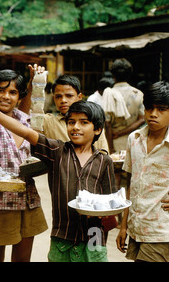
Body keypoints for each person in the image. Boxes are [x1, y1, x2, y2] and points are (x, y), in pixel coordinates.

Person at [0, 99, 117, 262]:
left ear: (97, 129)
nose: (76, 127)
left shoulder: (105, 161)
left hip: (95, 236)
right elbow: (26, 132)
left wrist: (106, 215)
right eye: (71, 122)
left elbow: (111, 201)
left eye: (83, 122)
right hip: (62, 236)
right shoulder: (58, 151)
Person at [0, 68, 48, 262]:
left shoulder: (27, 120)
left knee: (23, 258)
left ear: (20, 96)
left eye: (13, 92)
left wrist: (35, 81)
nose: (6, 96)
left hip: (29, 197)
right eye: (0, 91)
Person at [116, 81, 169, 262]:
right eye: (149, 108)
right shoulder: (135, 139)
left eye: (161, 109)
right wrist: (124, 226)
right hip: (136, 228)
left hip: (161, 231)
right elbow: (133, 184)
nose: (153, 114)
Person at [42, 74, 110, 153]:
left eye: (69, 96)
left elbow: (103, 154)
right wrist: (35, 82)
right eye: (58, 96)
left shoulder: (92, 122)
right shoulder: (48, 121)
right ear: (54, 98)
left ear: (79, 97)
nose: (63, 100)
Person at [105, 58, 145, 154]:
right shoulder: (138, 94)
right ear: (129, 74)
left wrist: (110, 149)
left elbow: (107, 125)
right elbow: (142, 119)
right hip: (135, 142)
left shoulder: (108, 94)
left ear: (113, 75)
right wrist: (121, 133)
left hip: (113, 143)